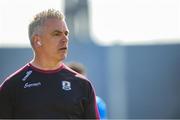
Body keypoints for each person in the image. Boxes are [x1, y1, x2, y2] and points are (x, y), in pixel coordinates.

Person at [0, 9, 100, 119]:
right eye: (56, 34)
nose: (65, 39)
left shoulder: (83, 85)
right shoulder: (12, 86)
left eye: (66, 34)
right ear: (37, 40)